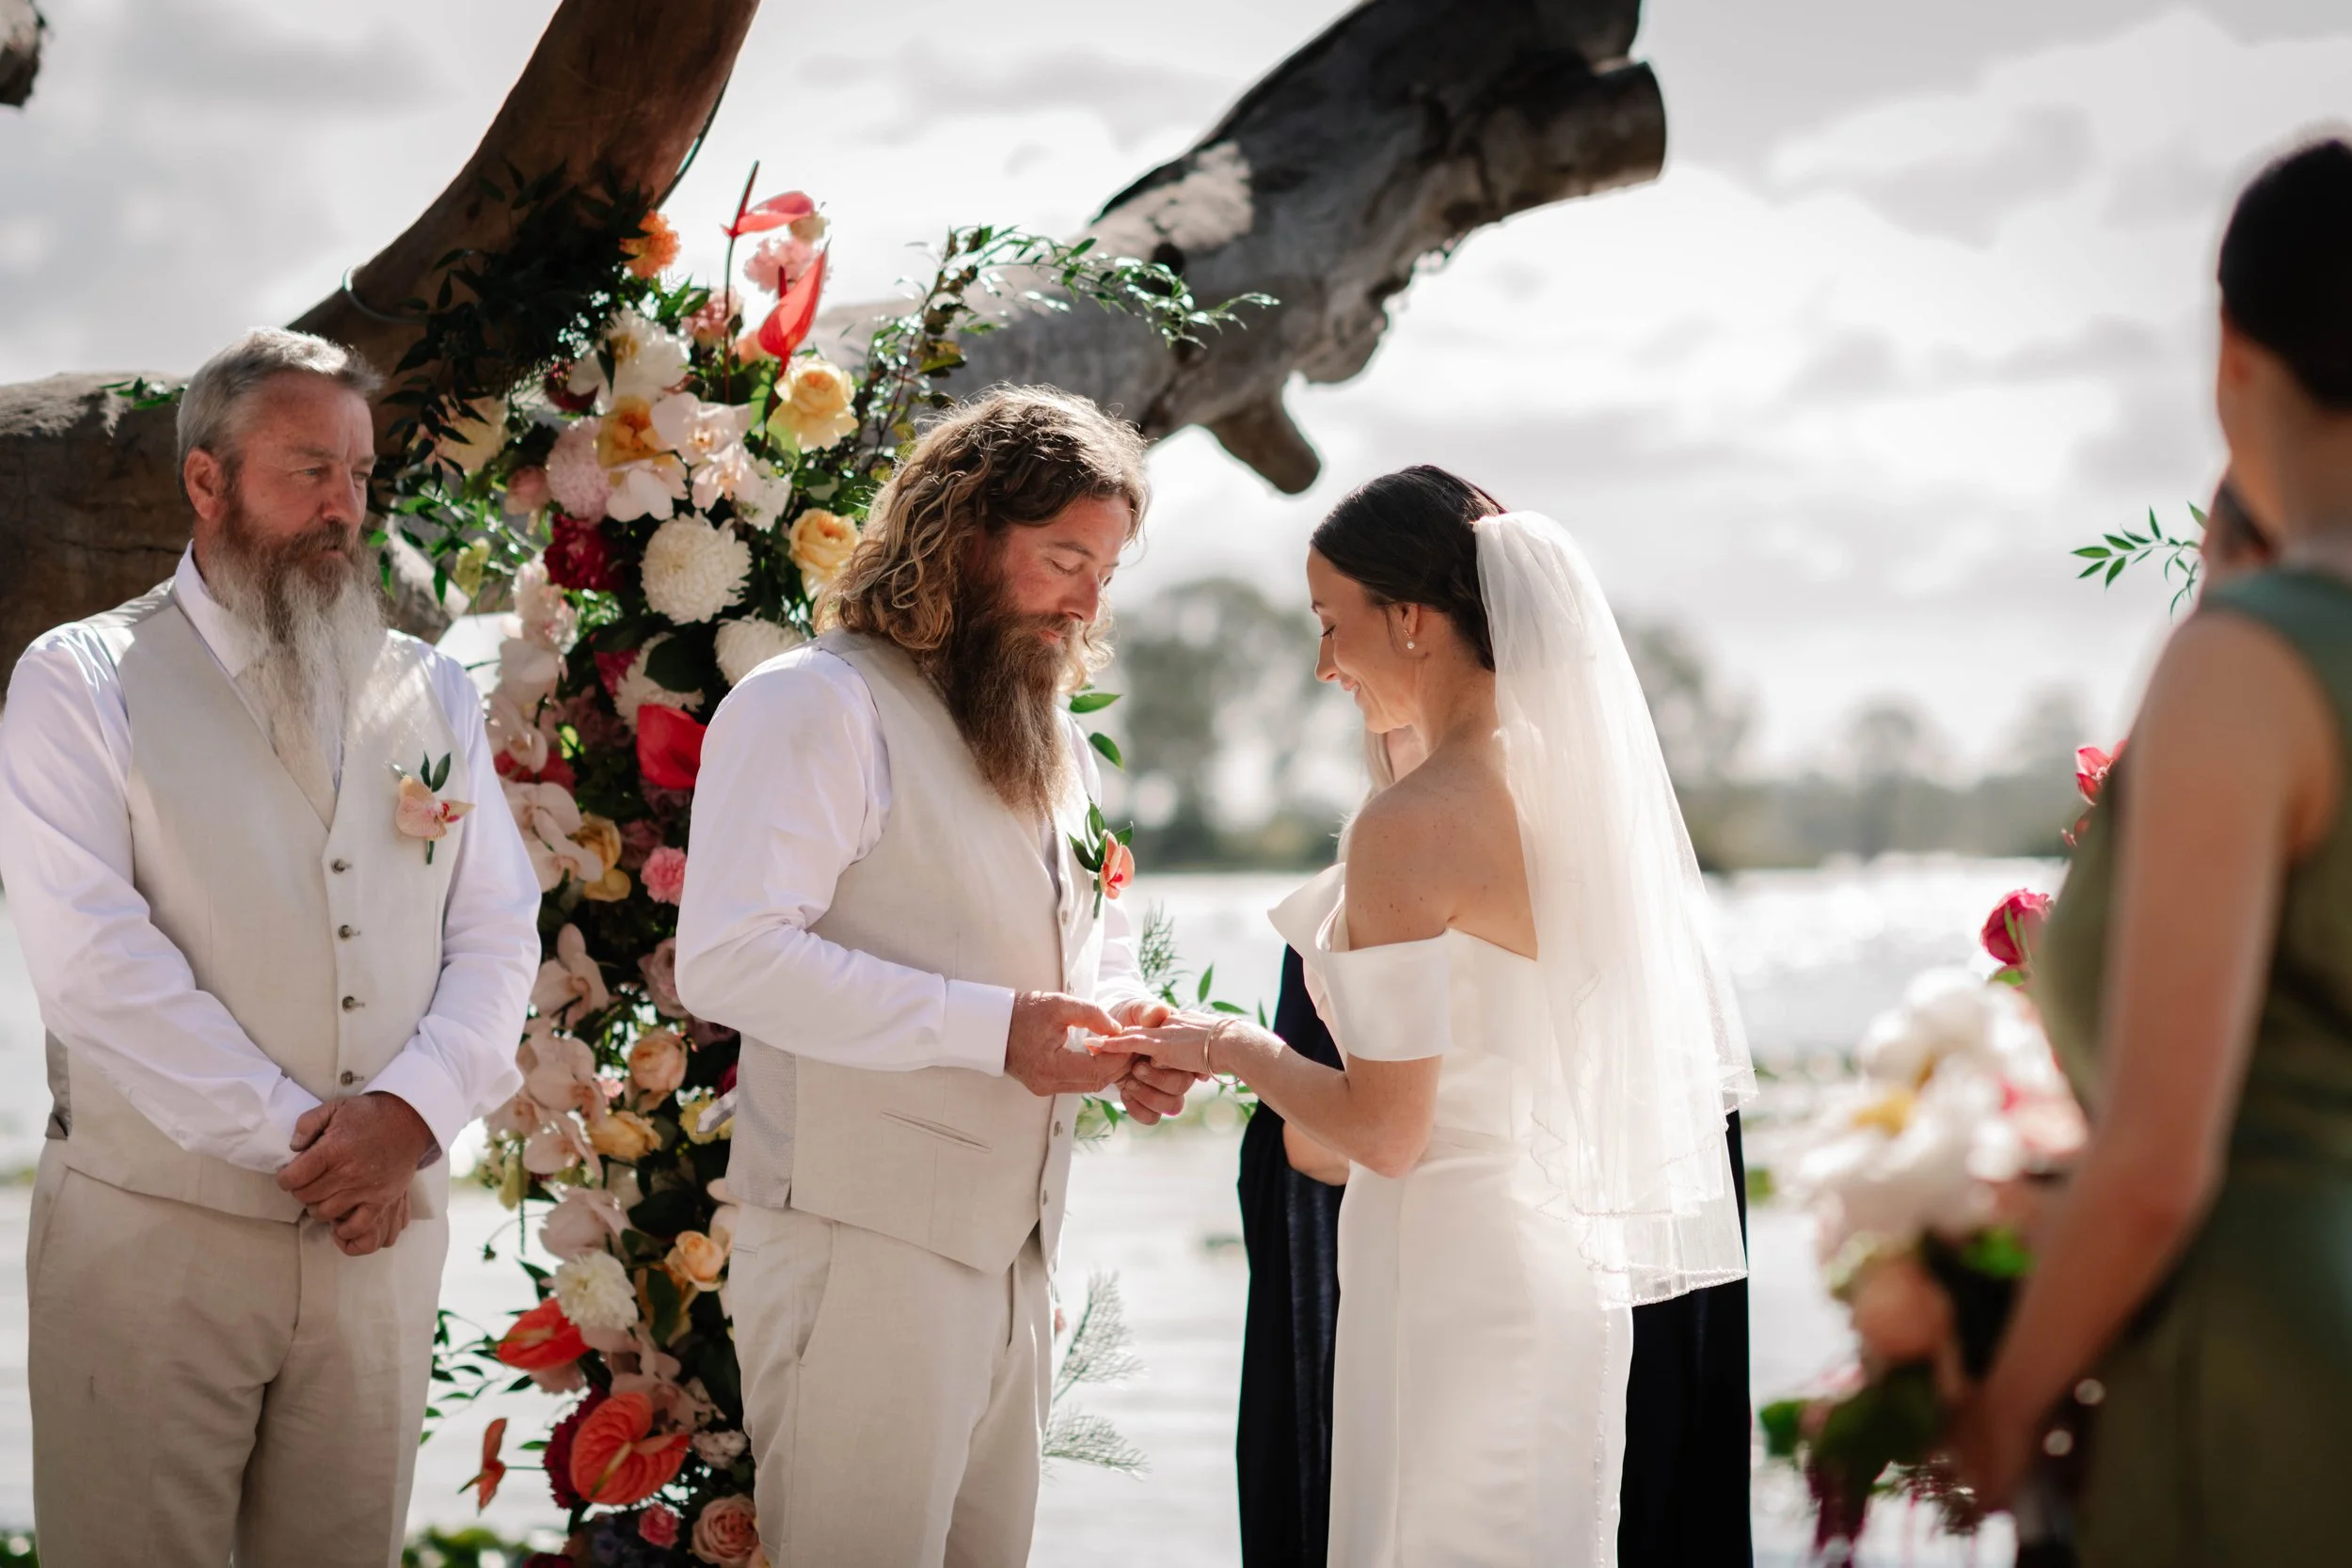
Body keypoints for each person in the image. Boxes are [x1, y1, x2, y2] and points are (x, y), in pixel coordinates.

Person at [1122, 467, 1754, 1567]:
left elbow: (1384, 1129)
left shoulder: (1412, 825)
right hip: (1557, 1268)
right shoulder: (1561, 785)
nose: (1324, 665)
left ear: (1409, 617)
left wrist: (1229, 1046)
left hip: (1448, 1275)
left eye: (1333, 625)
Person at [0, 328, 542, 1566]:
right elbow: (95, 968)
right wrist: (320, 1153)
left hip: (380, 1254)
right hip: (150, 1251)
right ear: (207, 479)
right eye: (309, 469)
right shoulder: (80, 681)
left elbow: (498, 931)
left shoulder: (431, 688)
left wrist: (409, 1116)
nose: (345, 505)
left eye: (359, 472)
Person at [674, 385, 1198, 1568]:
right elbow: (730, 956)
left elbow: (1080, 944)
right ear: (960, 536)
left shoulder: (1048, 731)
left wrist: (1126, 1037)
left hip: (1014, 1259)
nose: (1086, 598)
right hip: (855, 1249)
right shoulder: (813, 704)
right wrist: (998, 1030)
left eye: (1104, 571)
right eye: (1064, 557)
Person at [1950, 136, 2352, 1564]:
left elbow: (2163, 1161)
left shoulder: (2251, 663)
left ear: (2233, 348)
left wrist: (2000, 1403)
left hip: (2272, 1366)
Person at [1237, 722, 1757, 1568]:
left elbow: (1343, 1135)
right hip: (1528, 1264)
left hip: (1478, 1261)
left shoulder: (1565, 883)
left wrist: (1235, 1051)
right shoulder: (1603, 890)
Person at [1236, 728, 1422, 1568]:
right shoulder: (1595, 900)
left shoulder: (1359, 901)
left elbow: (1317, 1151)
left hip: (1399, 1301)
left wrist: (1231, 1050)